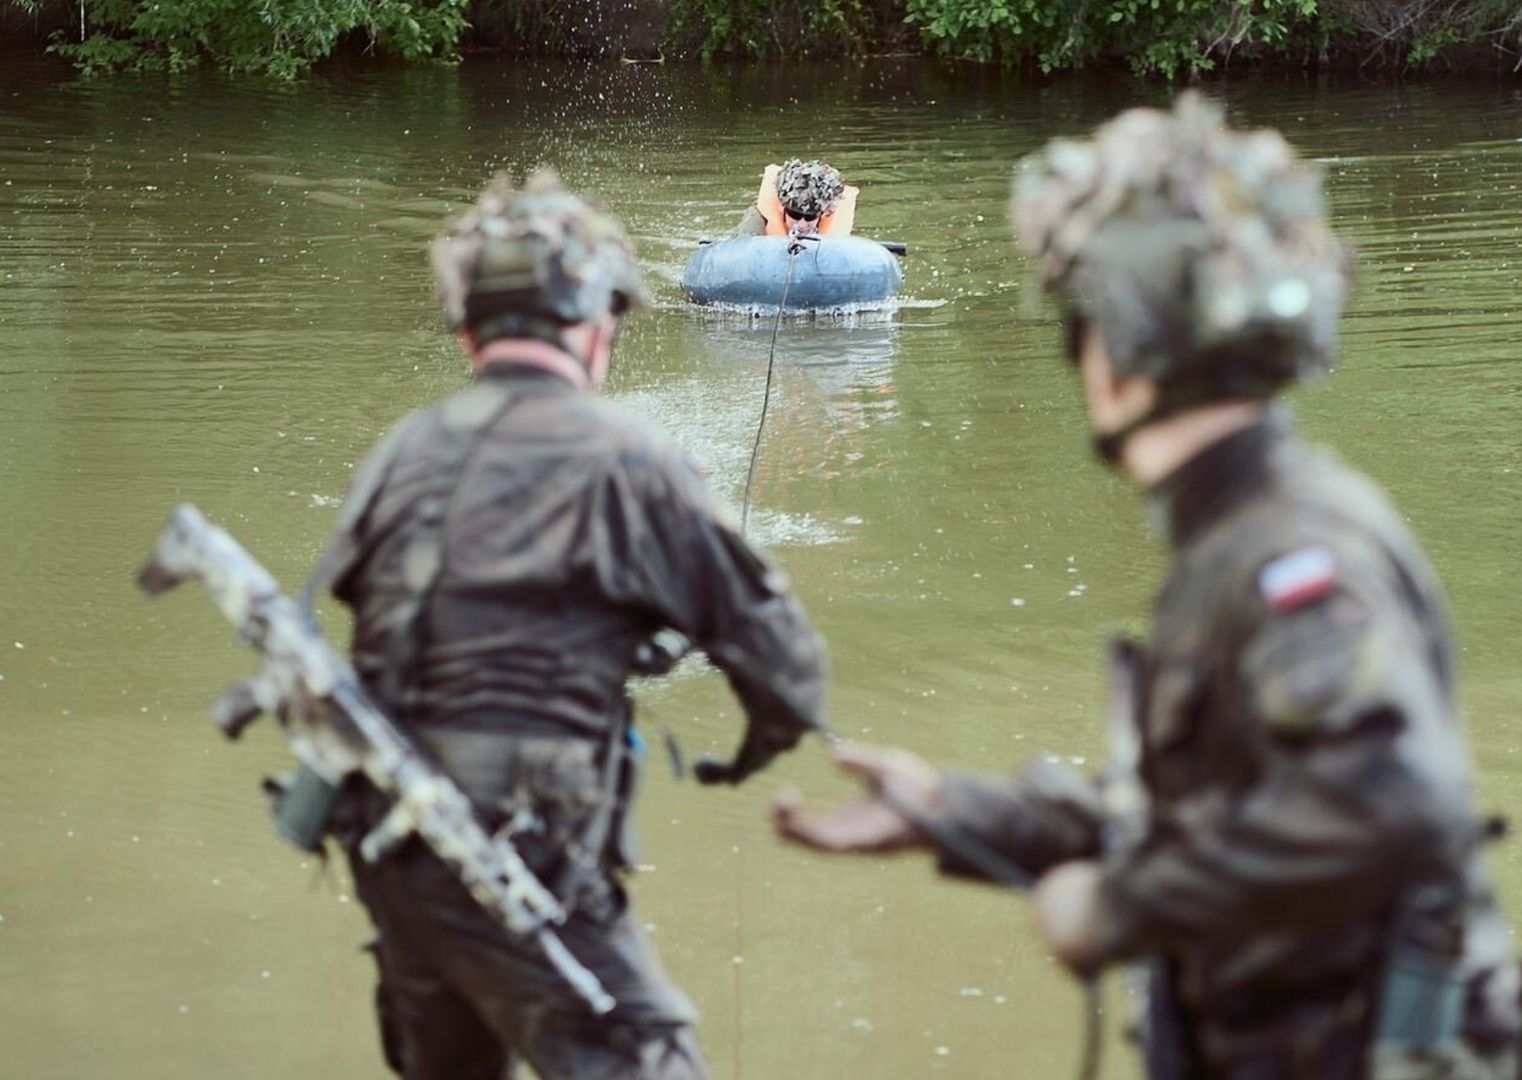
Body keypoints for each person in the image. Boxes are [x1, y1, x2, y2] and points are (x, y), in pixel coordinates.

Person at [773, 94, 1520, 1078]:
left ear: (1118, 353)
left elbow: (1386, 805)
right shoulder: (1246, 527)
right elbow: (1228, 810)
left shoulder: (1290, 553)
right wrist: (962, 814)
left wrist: (1122, 908)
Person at [316, 169, 830, 1080]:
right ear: (599, 328)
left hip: (393, 848)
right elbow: (789, 672)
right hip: (524, 856)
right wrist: (746, 753)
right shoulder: (629, 455)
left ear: (469, 330)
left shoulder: (403, 451)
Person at [734, 158, 857, 239]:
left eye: (810, 217)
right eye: (795, 215)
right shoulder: (759, 221)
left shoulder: (833, 229)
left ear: (822, 215)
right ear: (782, 208)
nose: (802, 224)